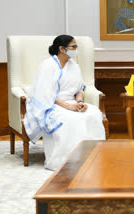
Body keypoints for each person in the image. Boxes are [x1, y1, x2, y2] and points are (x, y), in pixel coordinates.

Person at [24, 35, 106, 170]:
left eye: (76, 47)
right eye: (73, 47)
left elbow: (80, 88)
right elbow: (46, 94)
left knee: (93, 113)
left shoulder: (75, 66)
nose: (76, 50)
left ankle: (91, 157)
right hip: (51, 103)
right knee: (69, 118)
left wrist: (79, 102)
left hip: (72, 102)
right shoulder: (47, 66)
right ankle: (66, 161)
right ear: (62, 49)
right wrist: (68, 106)